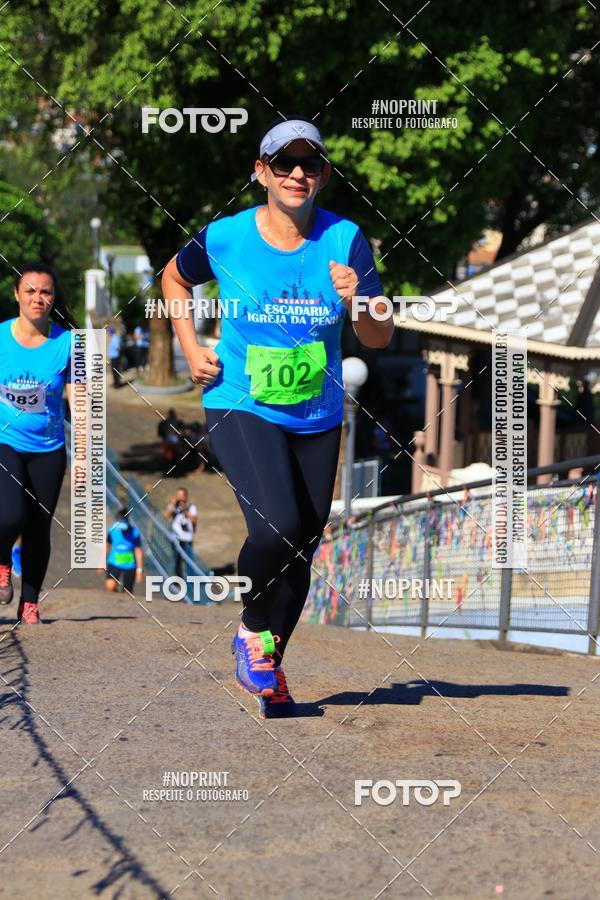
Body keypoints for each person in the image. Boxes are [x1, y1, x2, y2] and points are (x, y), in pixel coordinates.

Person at [161, 114, 393, 717]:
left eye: (309, 164)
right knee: (277, 526)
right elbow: (173, 278)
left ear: (322, 175)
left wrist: (363, 300)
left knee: (303, 545)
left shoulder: (345, 241)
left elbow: (378, 336)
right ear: (261, 172)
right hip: (239, 400)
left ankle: (267, 664)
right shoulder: (228, 237)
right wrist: (190, 348)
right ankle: (251, 627)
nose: (297, 173)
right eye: (284, 164)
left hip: (316, 412)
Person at [0, 262, 76, 623]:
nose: (38, 298)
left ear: (53, 297)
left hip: (48, 449)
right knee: (10, 513)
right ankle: (2, 560)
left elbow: (81, 403)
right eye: (30, 290)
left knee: (38, 527)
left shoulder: (68, 344)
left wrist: (84, 459)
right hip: (5, 443)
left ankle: (29, 602)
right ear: (16, 294)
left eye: (45, 292)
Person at [101, 507, 143, 593]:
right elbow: (107, 545)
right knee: (110, 586)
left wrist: (139, 570)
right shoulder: (112, 530)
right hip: (114, 562)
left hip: (129, 564)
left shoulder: (134, 533)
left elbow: (138, 551)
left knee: (127, 592)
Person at [163, 487, 198, 577]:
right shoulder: (173, 507)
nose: (179, 497)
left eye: (181, 495)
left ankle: (190, 580)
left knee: (189, 561)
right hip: (176, 538)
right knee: (176, 560)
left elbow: (194, 520)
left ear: (185, 497)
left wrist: (185, 510)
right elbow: (166, 515)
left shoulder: (191, 507)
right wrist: (172, 504)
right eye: (178, 495)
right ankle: (177, 580)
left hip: (187, 538)